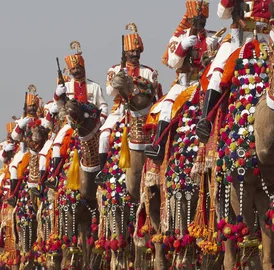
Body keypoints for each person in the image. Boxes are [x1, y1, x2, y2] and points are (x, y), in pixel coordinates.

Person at [145, 0, 217, 162]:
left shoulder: (213, 37)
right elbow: (173, 63)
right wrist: (182, 46)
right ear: (189, 19)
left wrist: (210, 48)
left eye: (202, 19)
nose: (199, 23)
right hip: (182, 83)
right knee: (167, 105)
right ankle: (158, 145)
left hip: (201, 82)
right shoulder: (178, 37)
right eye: (196, 20)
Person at [194, 0, 272, 143]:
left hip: (269, 40)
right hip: (241, 37)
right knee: (219, 67)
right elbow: (222, 13)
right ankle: (206, 120)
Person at [96, 23, 159, 183]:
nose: (135, 54)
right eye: (132, 51)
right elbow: (110, 92)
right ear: (125, 52)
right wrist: (120, 79)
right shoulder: (115, 69)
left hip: (143, 113)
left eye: (137, 51)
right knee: (104, 136)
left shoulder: (148, 72)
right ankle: (102, 173)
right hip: (120, 110)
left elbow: (155, 95)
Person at [50, 41, 108, 179]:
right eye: (73, 69)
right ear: (69, 71)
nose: (76, 71)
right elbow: (58, 107)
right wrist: (58, 94)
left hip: (93, 125)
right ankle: (55, 178)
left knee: (107, 139)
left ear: (83, 67)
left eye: (79, 68)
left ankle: (105, 172)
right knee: (57, 145)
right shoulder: (67, 87)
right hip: (71, 125)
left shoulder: (94, 86)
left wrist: (100, 121)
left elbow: (103, 106)